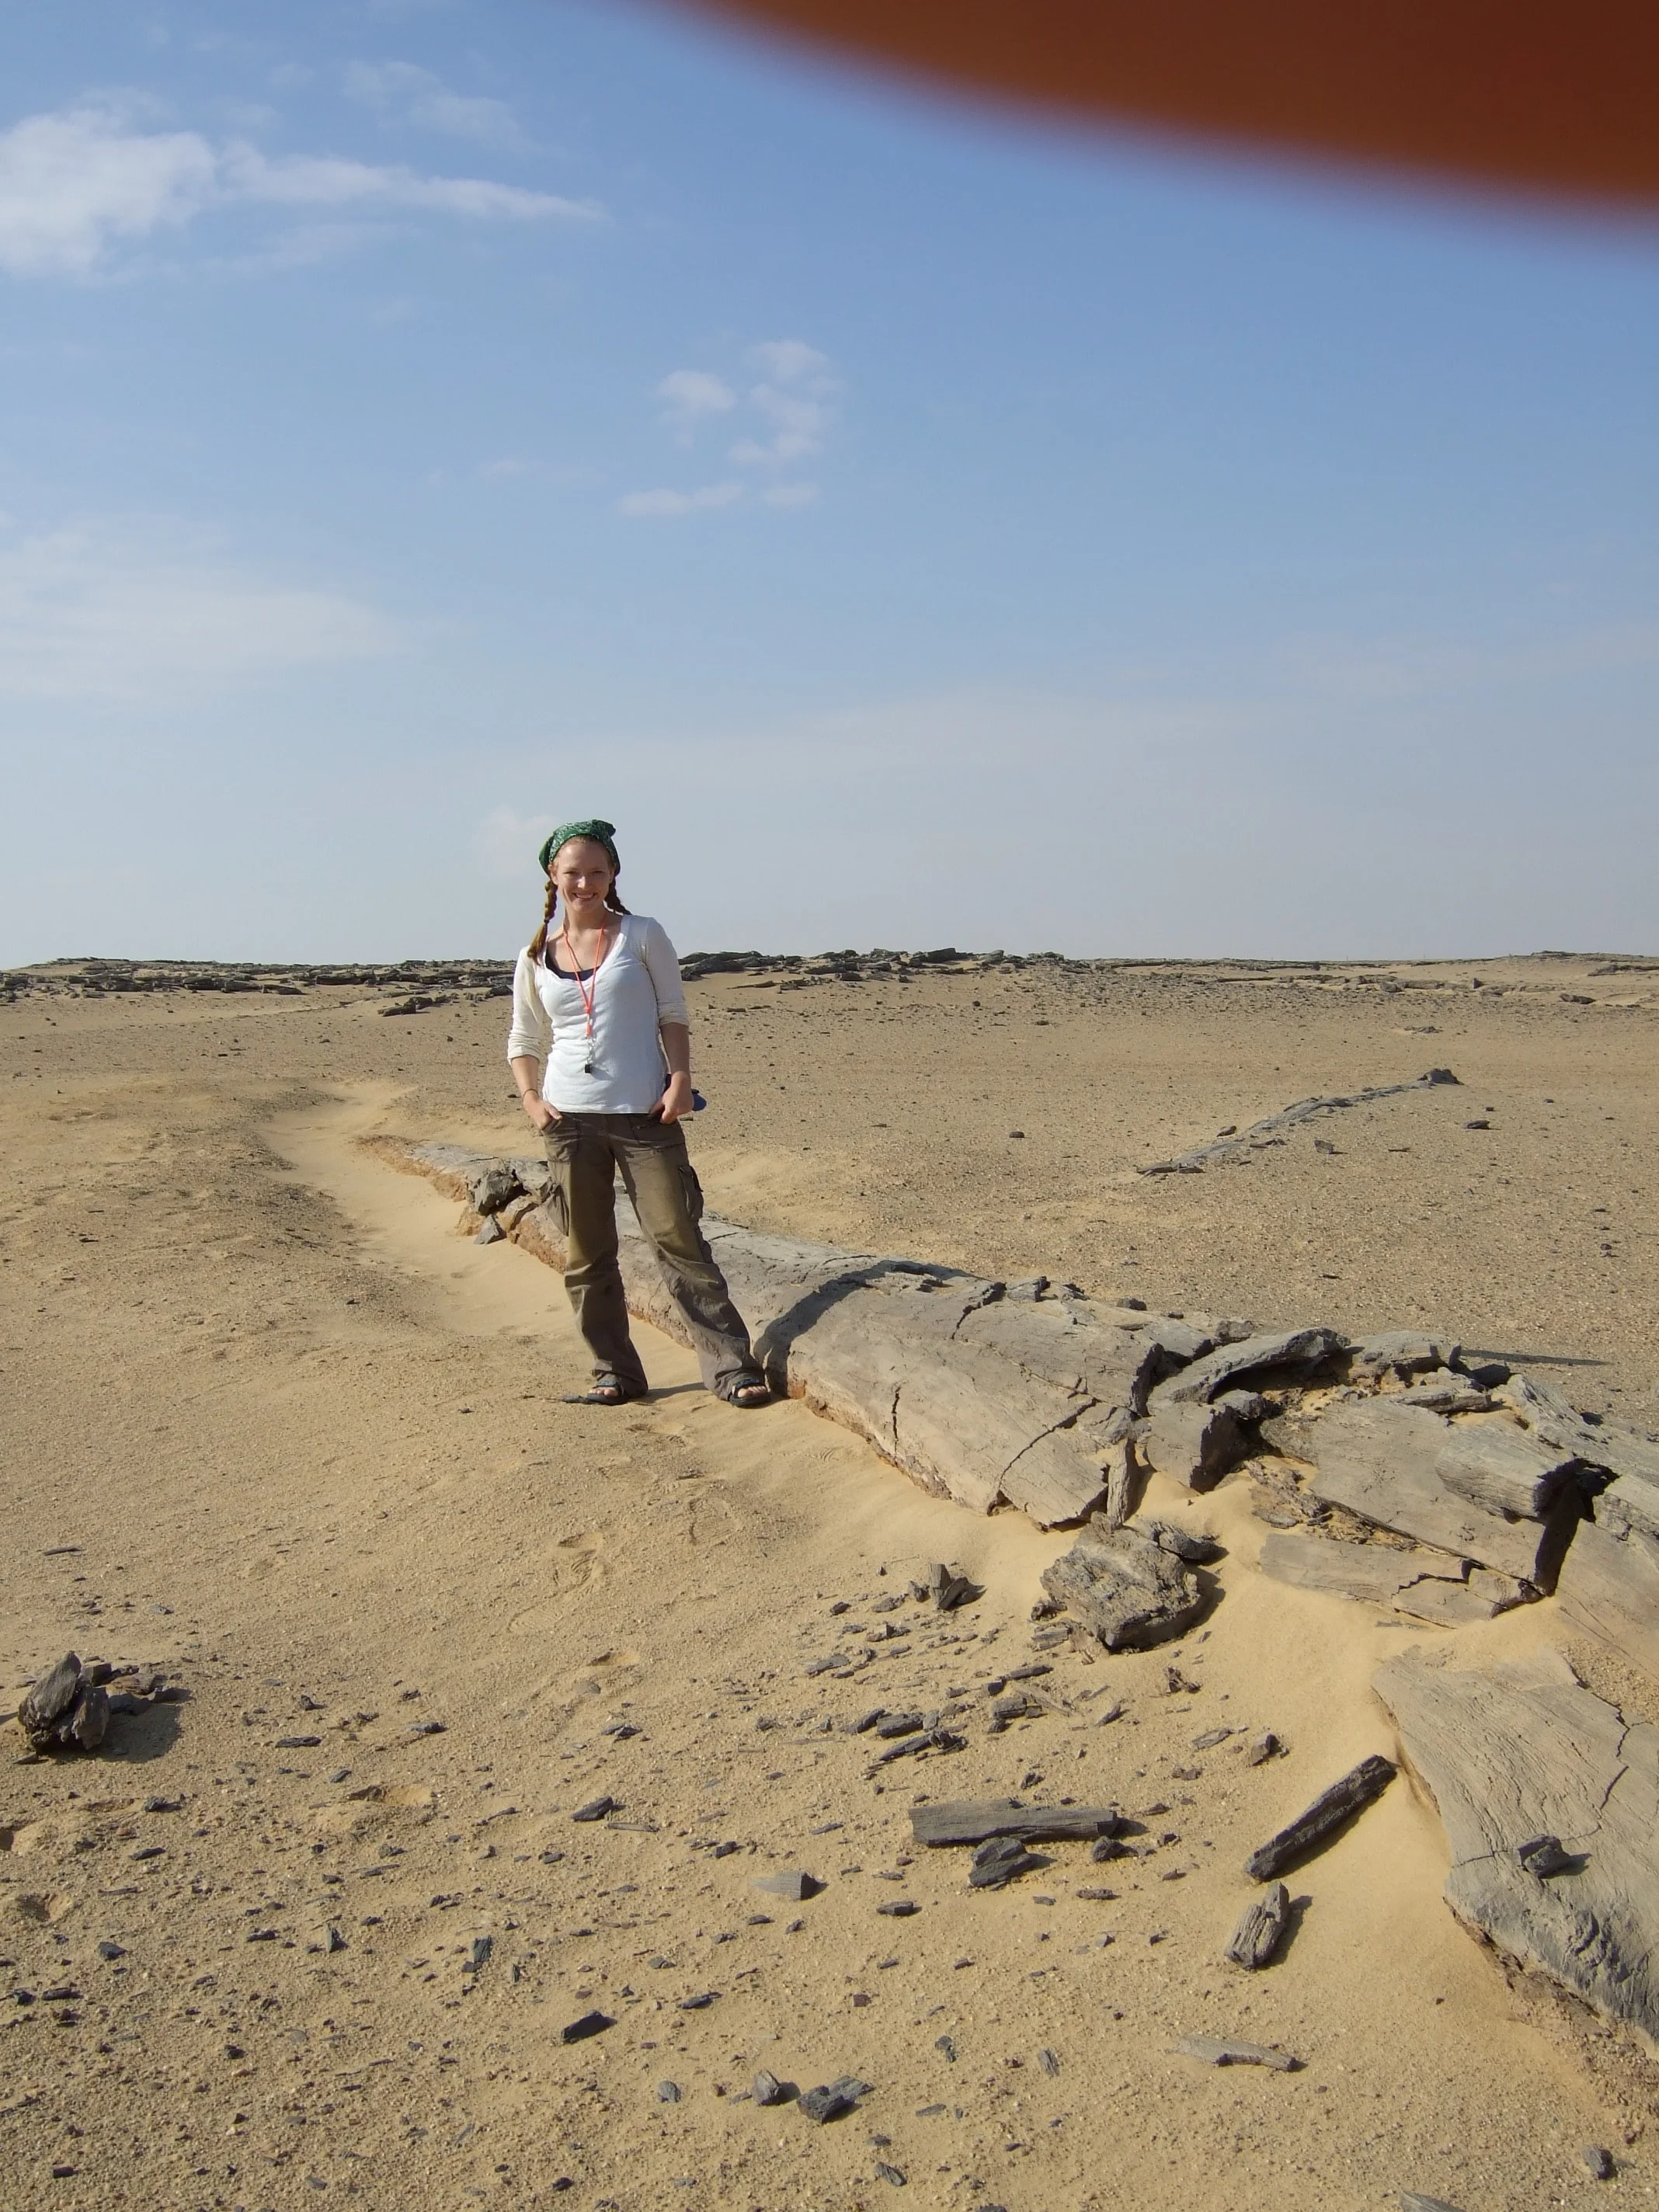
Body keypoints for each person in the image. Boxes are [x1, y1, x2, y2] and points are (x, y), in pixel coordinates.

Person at [506, 818, 770, 1409]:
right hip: (569, 1122)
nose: (585, 883)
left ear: (613, 875)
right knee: (588, 1252)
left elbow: (672, 1013)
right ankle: (614, 1372)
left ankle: (731, 1367)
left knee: (677, 1239)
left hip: (647, 1115)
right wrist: (532, 1100)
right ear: (554, 876)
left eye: (597, 871)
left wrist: (680, 1082)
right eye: (573, 872)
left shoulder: (642, 935)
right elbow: (522, 1039)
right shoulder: (534, 958)